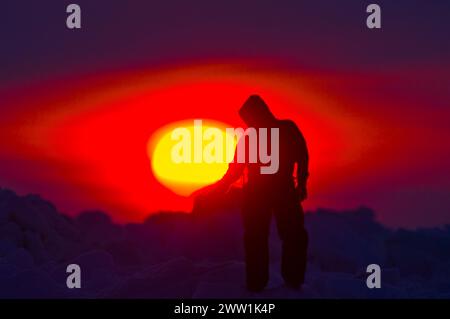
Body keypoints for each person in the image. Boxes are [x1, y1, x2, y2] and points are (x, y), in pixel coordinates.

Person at [195, 95, 309, 292]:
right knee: (263, 237)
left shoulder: (272, 132)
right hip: (268, 192)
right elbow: (236, 170)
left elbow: (302, 156)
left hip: (272, 191)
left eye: (249, 118)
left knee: (286, 236)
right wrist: (217, 190)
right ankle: (265, 283)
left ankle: (285, 282)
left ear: (259, 113)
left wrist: (302, 183)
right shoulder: (257, 136)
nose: (247, 123)